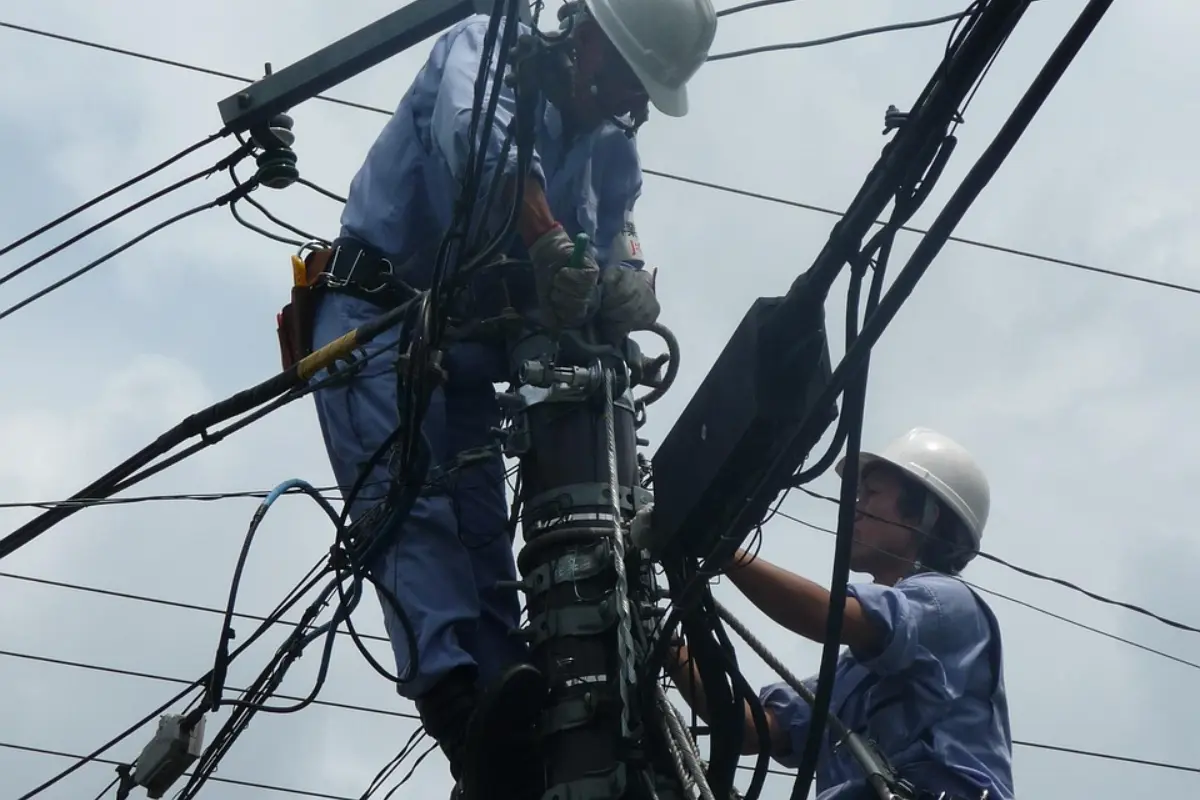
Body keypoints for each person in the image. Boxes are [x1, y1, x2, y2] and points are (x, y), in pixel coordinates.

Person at [304, 0, 718, 797]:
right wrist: (546, 241)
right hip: (374, 319)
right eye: (624, 79)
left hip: (464, 350)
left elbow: (616, 240)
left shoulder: (611, 146)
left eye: (642, 93)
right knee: (409, 510)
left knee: (483, 534)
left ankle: (510, 722)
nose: (628, 103)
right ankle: (458, 707)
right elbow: (483, 150)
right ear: (584, 35)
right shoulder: (488, 49)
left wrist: (625, 289)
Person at [669, 428, 1015, 800]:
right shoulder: (850, 676)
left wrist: (721, 549)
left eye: (872, 494)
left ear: (925, 515)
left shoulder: (948, 604)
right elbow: (754, 730)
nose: (854, 508)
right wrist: (663, 643)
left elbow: (829, 617)